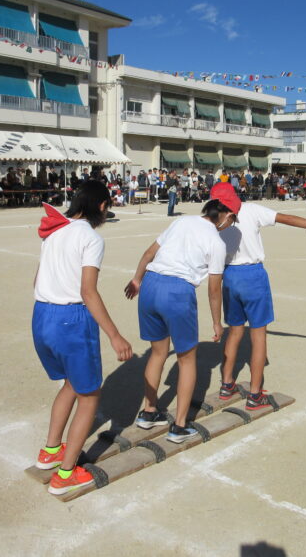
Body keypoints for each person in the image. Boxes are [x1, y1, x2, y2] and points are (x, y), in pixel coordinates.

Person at [32, 182, 133, 494]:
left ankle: (50, 451)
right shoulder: (90, 237)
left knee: (70, 385)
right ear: (101, 206)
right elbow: (87, 291)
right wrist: (115, 335)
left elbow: (37, 279)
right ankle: (66, 473)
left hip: (41, 314)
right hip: (71, 321)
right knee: (89, 395)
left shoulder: (54, 231)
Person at [124, 186, 240, 443]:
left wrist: (136, 280)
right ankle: (179, 425)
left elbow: (148, 253)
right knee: (188, 359)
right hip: (177, 292)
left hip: (151, 285)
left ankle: (149, 411)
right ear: (227, 215)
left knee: (157, 352)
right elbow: (213, 289)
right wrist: (216, 322)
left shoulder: (181, 221)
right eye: (232, 219)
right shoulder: (216, 243)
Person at [215, 183, 306, 410]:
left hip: (229, 275)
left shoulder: (214, 218)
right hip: (252, 276)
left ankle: (227, 385)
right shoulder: (250, 210)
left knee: (234, 331)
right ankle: (255, 395)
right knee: (258, 335)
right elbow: (286, 218)